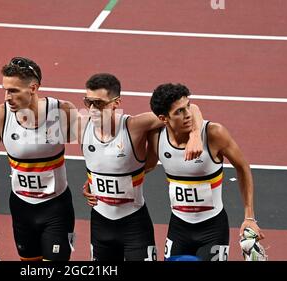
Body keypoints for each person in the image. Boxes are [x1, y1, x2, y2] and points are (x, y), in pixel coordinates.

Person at [81, 74, 204, 261]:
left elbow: (191, 107)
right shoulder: (81, 126)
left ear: (116, 103)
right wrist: (94, 181)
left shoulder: (135, 126)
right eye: (88, 102)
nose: (92, 110)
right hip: (100, 225)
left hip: (134, 225)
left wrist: (195, 135)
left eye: (98, 104)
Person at [145, 83, 265, 261]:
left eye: (187, 107)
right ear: (163, 118)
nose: (187, 115)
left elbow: (243, 167)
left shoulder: (214, 134)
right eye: (179, 112)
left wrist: (249, 217)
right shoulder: (156, 137)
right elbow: (145, 167)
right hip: (178, 228)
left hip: (213, 229)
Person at [0, 57, 76, 261]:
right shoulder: (0, 116)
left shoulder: (61, 112)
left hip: (56, 208)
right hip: (22, 208)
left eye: (13, 91)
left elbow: (93, 145)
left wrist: (92, 182)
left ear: (33, 88)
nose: (7, 97)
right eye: (5, 90)